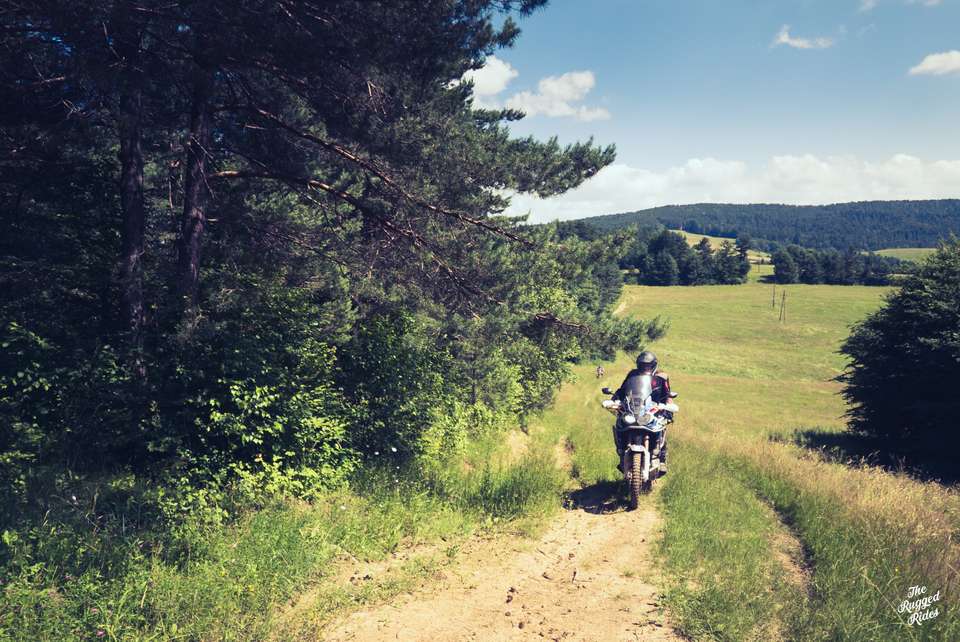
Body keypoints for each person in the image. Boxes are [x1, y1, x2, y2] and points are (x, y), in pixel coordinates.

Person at [610, 351, 673, 473]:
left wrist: (668, 409)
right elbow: (623, 390)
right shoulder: (633, 375)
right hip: (634, 408)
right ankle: (622, 453)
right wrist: (614, 399)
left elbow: (667, 395)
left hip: (654, 410)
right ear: (638, 365)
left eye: (648, 366)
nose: (645, 368)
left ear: (653, 365)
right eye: (643, 365)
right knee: (620, 424)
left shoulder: (661, 377)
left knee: (661, 427)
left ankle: (661, 459)